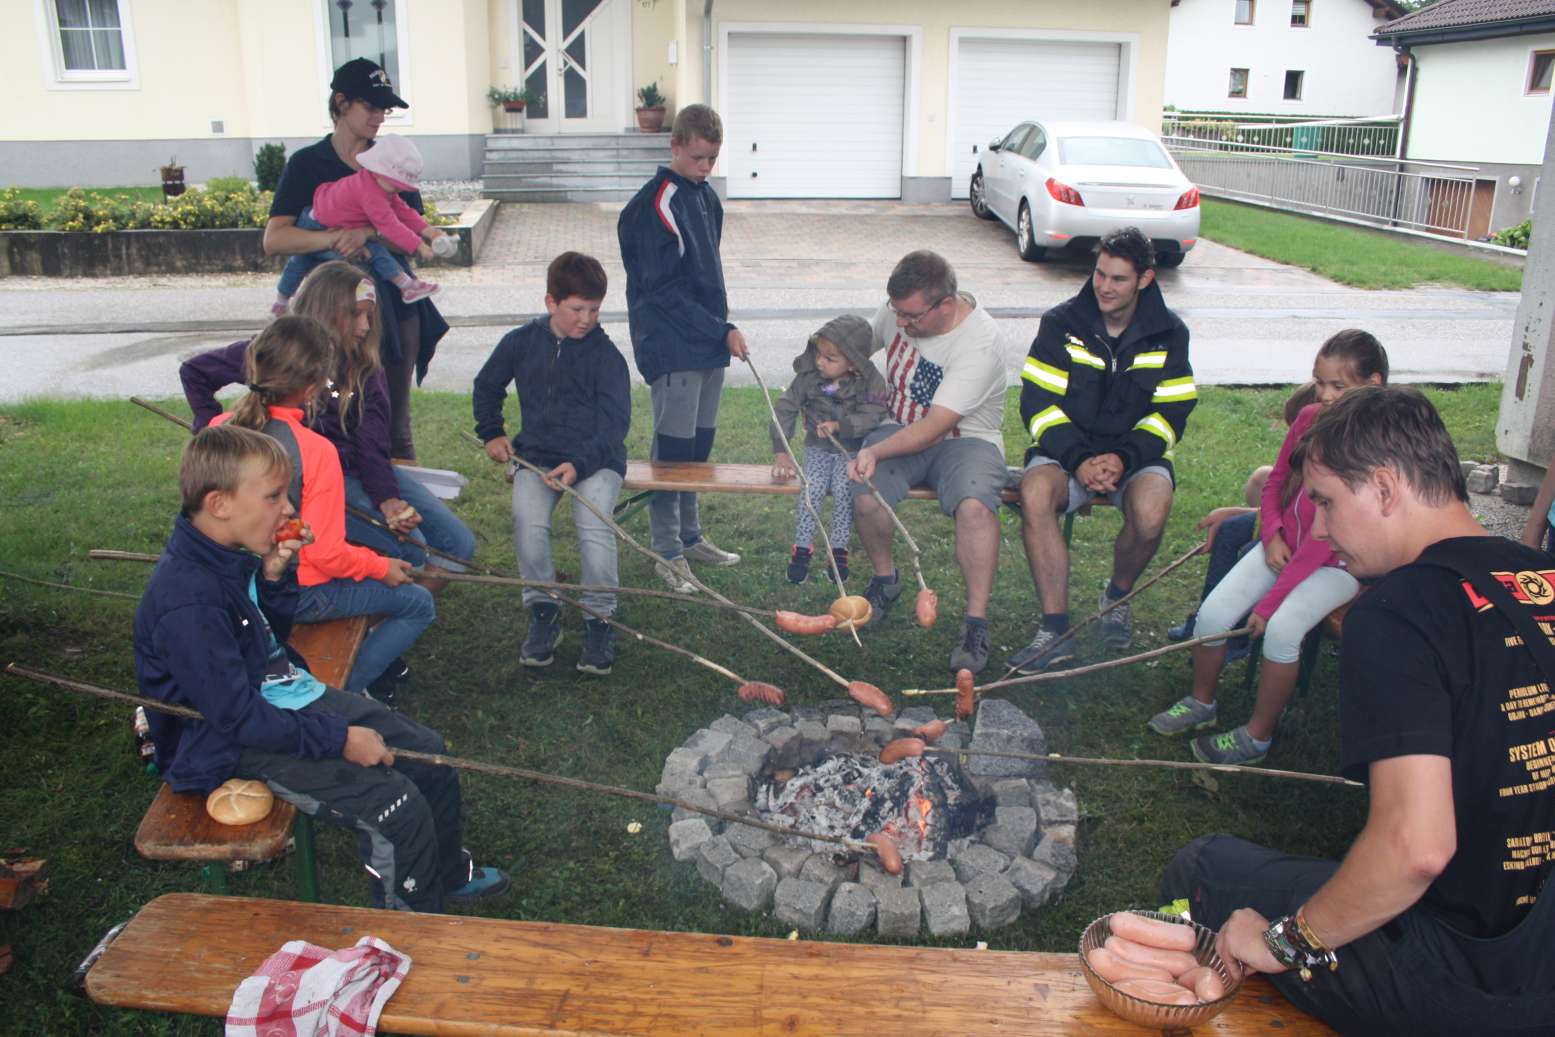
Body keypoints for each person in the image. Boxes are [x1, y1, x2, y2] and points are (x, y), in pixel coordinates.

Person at [1160, 386, 1555, 1036]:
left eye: (1324, 501)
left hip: (1474, 980)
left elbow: (1415, 848)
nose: (1317, 528)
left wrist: (1285, 942)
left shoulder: (1399, 612)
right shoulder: (1540, 579)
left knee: (1202, 868)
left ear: (1384, 488)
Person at [134, 422, 508, 912]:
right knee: (394, 805)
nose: (289, 509)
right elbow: (235, 717)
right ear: (219, 504)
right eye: (273, 497)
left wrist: (274, 577)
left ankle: (446, 875)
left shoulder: (226, 555)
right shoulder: (188, 602)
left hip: (278, 699)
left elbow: (266, 640)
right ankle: (411, 927)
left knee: (429, 755)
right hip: (226, 743)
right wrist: (339, 739)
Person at [1148, 331, 1387, 765]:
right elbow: (1276, 482)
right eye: (1320, 382)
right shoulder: (1309, 417)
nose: (1325, 395)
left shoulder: (1372, 448)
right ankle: (1202, 702)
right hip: (1283, 547)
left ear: (1373, 385)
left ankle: (1257, 736)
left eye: (1339, 386)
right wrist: (1272, 534)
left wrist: (1271, 603)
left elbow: (1323, 537)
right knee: (1213, 616)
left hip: (1336, 564)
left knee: (1282, 630)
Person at [183, 261, 476, 586]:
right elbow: (195, 372)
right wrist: (213, 437)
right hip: (308, 481)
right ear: (326, 309)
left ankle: (408, 604)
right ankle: (381, 604)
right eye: (356, 314)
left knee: (457, 543)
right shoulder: (278, 351)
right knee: (411, 549)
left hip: (360, 470)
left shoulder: (366, 368)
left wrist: (387, 498)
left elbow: (371, 446)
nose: (365, 326)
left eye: (369, 315)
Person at [212, 316, 435, 698]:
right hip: (293, 592)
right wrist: (380, 567)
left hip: (230, 585)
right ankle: (341, 696)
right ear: (313, 386)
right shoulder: (314, 450)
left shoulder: (219, 427)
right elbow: (324, 553)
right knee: (418, 602)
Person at [1008, 226, 1195, 673]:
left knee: (1152, 512)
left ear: (1145, 279)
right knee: (1035, 492)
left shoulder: (1171, 333)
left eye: (1118, 279)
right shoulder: (1061, 323)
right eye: (1100, 274)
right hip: (1065, 452)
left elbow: (1172, 414)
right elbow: (1037, 405)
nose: (1104, 287)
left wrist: (1123, 458)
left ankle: (1116, 597)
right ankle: (1055, 631)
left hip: (1136, 457)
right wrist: (1079, 460)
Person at [264, 56, 449, 463]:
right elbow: (275, 239)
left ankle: (398, 495)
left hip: (393, 306)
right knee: (327, 413)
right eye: (371, 106)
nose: (380, 116)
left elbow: (409, 234)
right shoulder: (307, 164)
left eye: (385, 109)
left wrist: (365, 233)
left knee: (394, 421)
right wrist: (332, 238)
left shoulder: (393, 161)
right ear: (341, 102)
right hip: (327, 312)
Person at [847, 250, 1008, 674]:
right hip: (899, 427)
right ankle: (886, 581)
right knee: (865, 492)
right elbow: (856, 348)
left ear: (946, 305)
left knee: (975, 508)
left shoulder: (980, 342)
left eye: (911, 316)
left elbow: (936, 427)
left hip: (966, 440)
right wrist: (821, 370)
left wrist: (873, 450)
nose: (900, 323)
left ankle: (975, 622)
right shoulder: (899, 311)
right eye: (896, 312)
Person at [473, 252, 630, 675]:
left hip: (596, 460)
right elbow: (487, 385)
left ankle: (599, 617)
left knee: (593, 526)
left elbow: (615, 424)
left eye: (594, 309)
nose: (587, 319)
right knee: (528, 523)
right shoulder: (521, 342)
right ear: (550, 302)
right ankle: (543, 609)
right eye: (577, 309)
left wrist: (579, 464)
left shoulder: (606, 356)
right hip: (538, 457)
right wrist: (492, 432)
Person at [617, 103, 746, 594]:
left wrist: (718, 330)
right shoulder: (652, 206)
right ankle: (666, 550)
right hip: (672, 346)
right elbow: (663, 291)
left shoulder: (706, 197)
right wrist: (721, 329)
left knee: (698, 448)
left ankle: (690, 537)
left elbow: (706, 271)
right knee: (671, 453)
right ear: (674, 146)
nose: (706, 167)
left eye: (712, 158)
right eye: (697, 157)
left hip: (709, 342)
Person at [1166, 381, 1321, 659]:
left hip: (1305, 542)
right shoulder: (1298, 456)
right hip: (1284, 526)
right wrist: (1238, 513)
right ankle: (1204, 620)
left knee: (1250, 552)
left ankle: (1235, 637)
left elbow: (1310, 520)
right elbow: (1281, 504)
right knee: (1228, 530)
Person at [769, 314, 889, 583]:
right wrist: (781, 452)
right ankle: (802, 548)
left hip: (852, 452)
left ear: (853, 362)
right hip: (818, 449)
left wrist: (841, 426)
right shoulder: (808, 378)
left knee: (845, 492)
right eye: (819, 354)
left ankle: (838, 550)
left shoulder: (871, 381)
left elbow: (874, 413)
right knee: (812, 489)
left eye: (830, 358)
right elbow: (785, 409)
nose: (820, 361)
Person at [272, 134, 446, 314]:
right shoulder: (371, 193)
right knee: (374, 251)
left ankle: (281, 299)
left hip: (328, 217)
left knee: (300, 261)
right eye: (395, 183)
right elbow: (390, 225)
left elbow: (405, 212)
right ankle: (406, 285)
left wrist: (430, 232)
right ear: (378, 170)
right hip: (317, 223)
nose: (399, 189)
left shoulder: (377, 183)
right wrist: (419, 245)